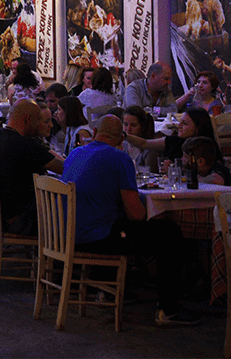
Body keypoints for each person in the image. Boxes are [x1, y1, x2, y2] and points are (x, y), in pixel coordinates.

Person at [61, 115, 203, 327]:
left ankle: (108, 290)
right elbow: (135, 214)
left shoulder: (75, 153)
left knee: (120, 225)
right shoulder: (120, 159)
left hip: (68, 235)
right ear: (121, 139)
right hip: (101, 240)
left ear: (94, 133)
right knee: (169, 232)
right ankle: (169, 309)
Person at [0, 99, 63, 234]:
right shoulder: (28, 146)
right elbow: (65, 168)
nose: (38, 124)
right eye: (38, 120)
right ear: (28, 119)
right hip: (18, 222)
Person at [124, 107, 219, 167]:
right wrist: (124, 135)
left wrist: (176, 169)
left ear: (197, 128)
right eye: (180, 122)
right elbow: (144, 143)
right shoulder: (173, 141)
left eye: (185, 123)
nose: (179, 125)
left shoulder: (206, 148)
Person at [122, 105, 159, 171]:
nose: (128, 129)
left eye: (133, 125)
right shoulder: (122, 146)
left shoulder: (150, 150)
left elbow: (151, 174)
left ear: (142, 127)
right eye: (125, 124)